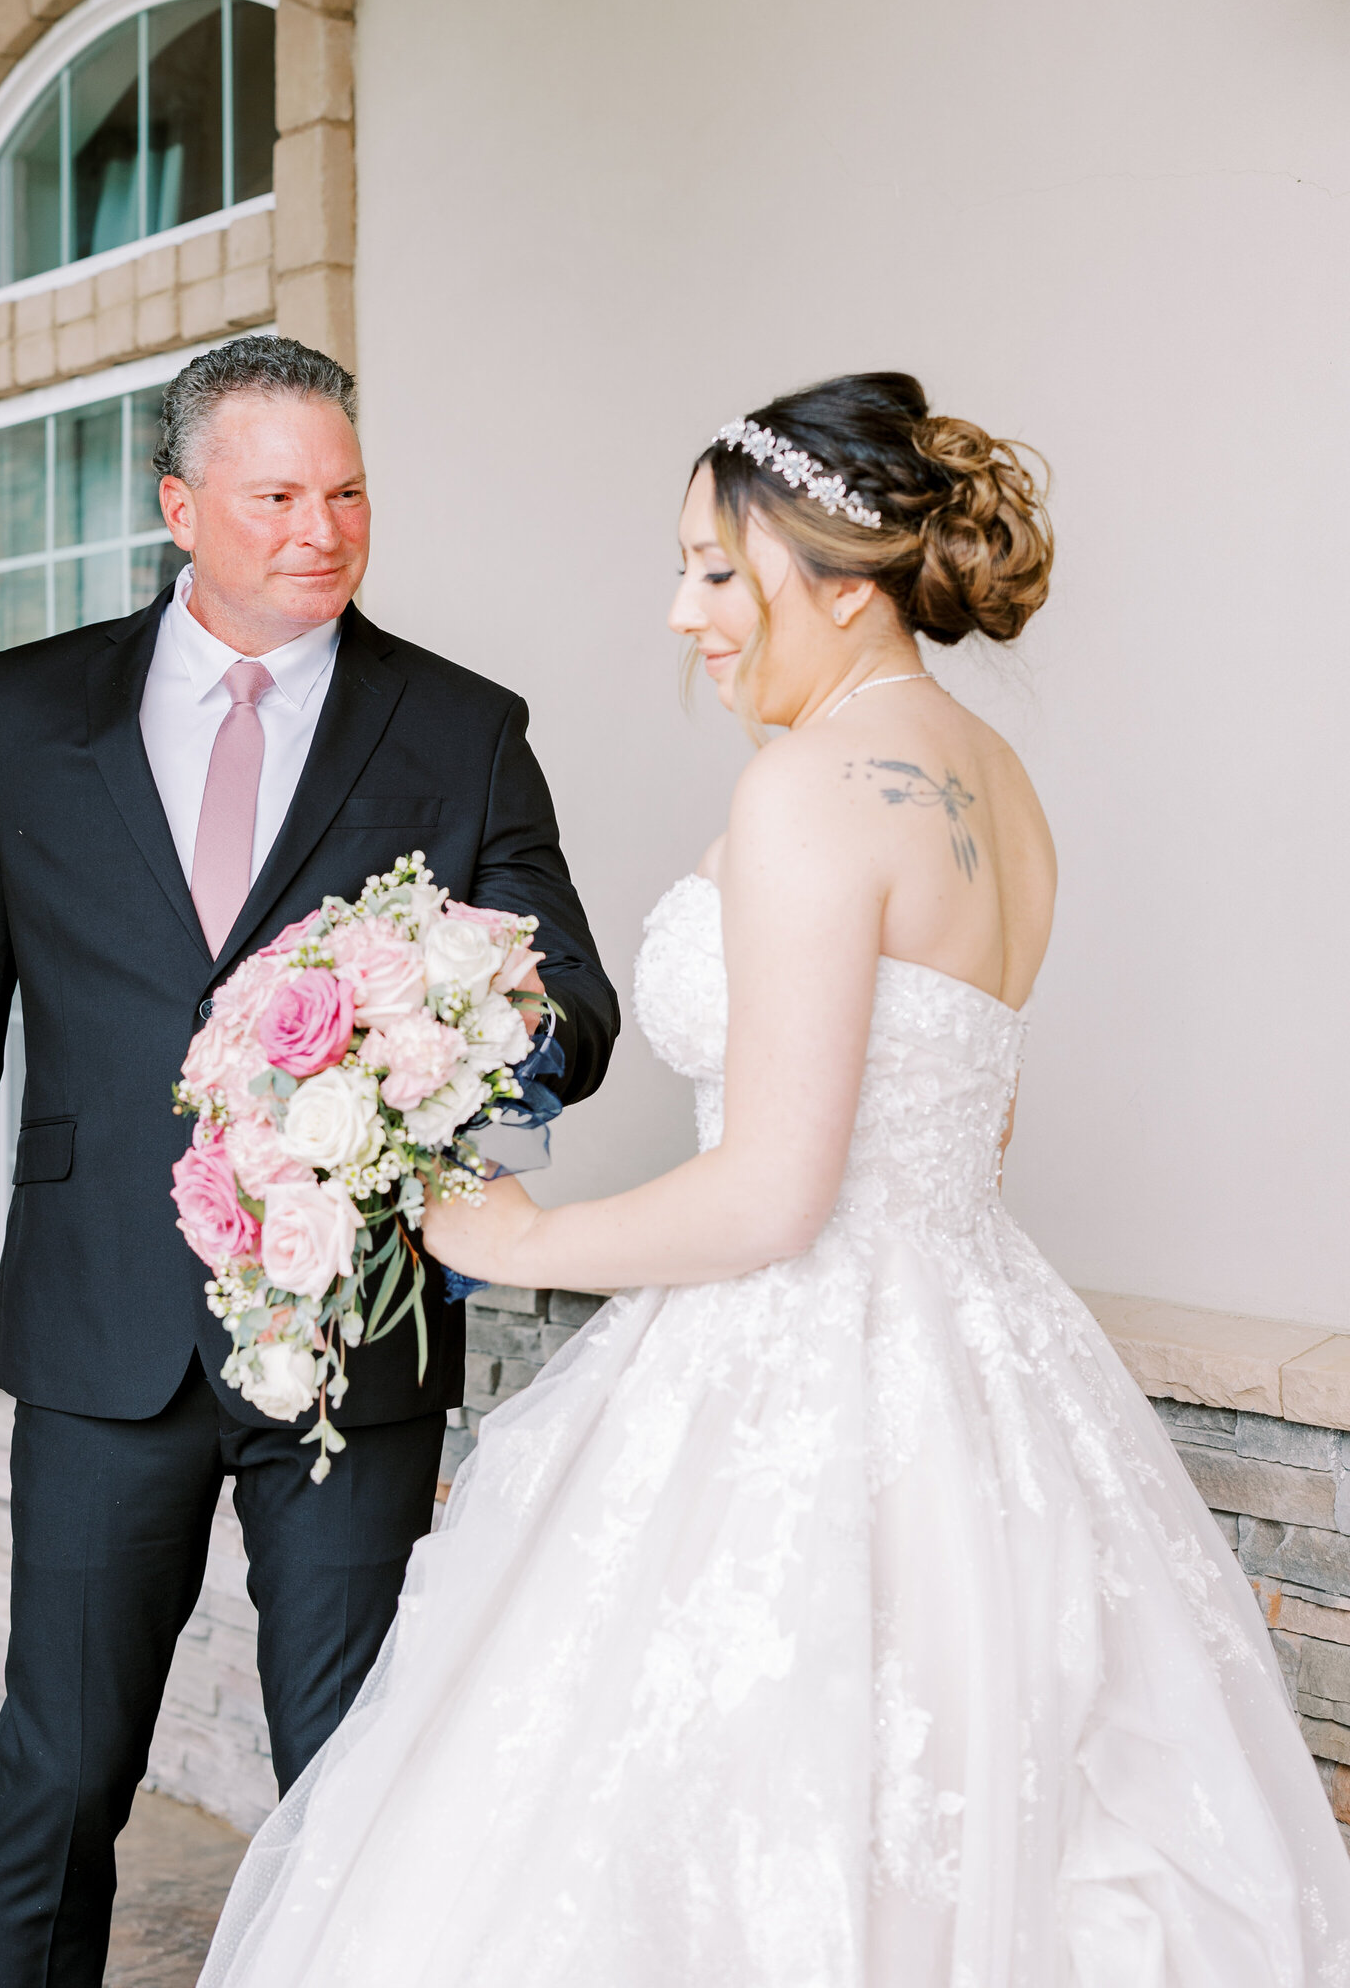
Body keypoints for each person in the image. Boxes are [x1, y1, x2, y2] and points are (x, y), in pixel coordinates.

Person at [199, 372, 1350, 1987]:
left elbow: (774, 1198)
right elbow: (964, 1130)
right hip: (984, 1355)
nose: (685, 614)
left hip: (797, 1368)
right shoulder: (997, 786)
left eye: (719, 573)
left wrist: (524, 1235)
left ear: (847, 581)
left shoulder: (811, 789)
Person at [0, 334, 619, 1988]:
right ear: (181, 505)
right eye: (275, 495)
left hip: (357, 1346)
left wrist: (454, 1035)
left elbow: (576, 1012)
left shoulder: (463, 728)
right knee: (57, 1776)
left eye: (347, 494)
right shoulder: (27, 712)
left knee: (354, 1783)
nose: (319, 529)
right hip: (102, 1335)